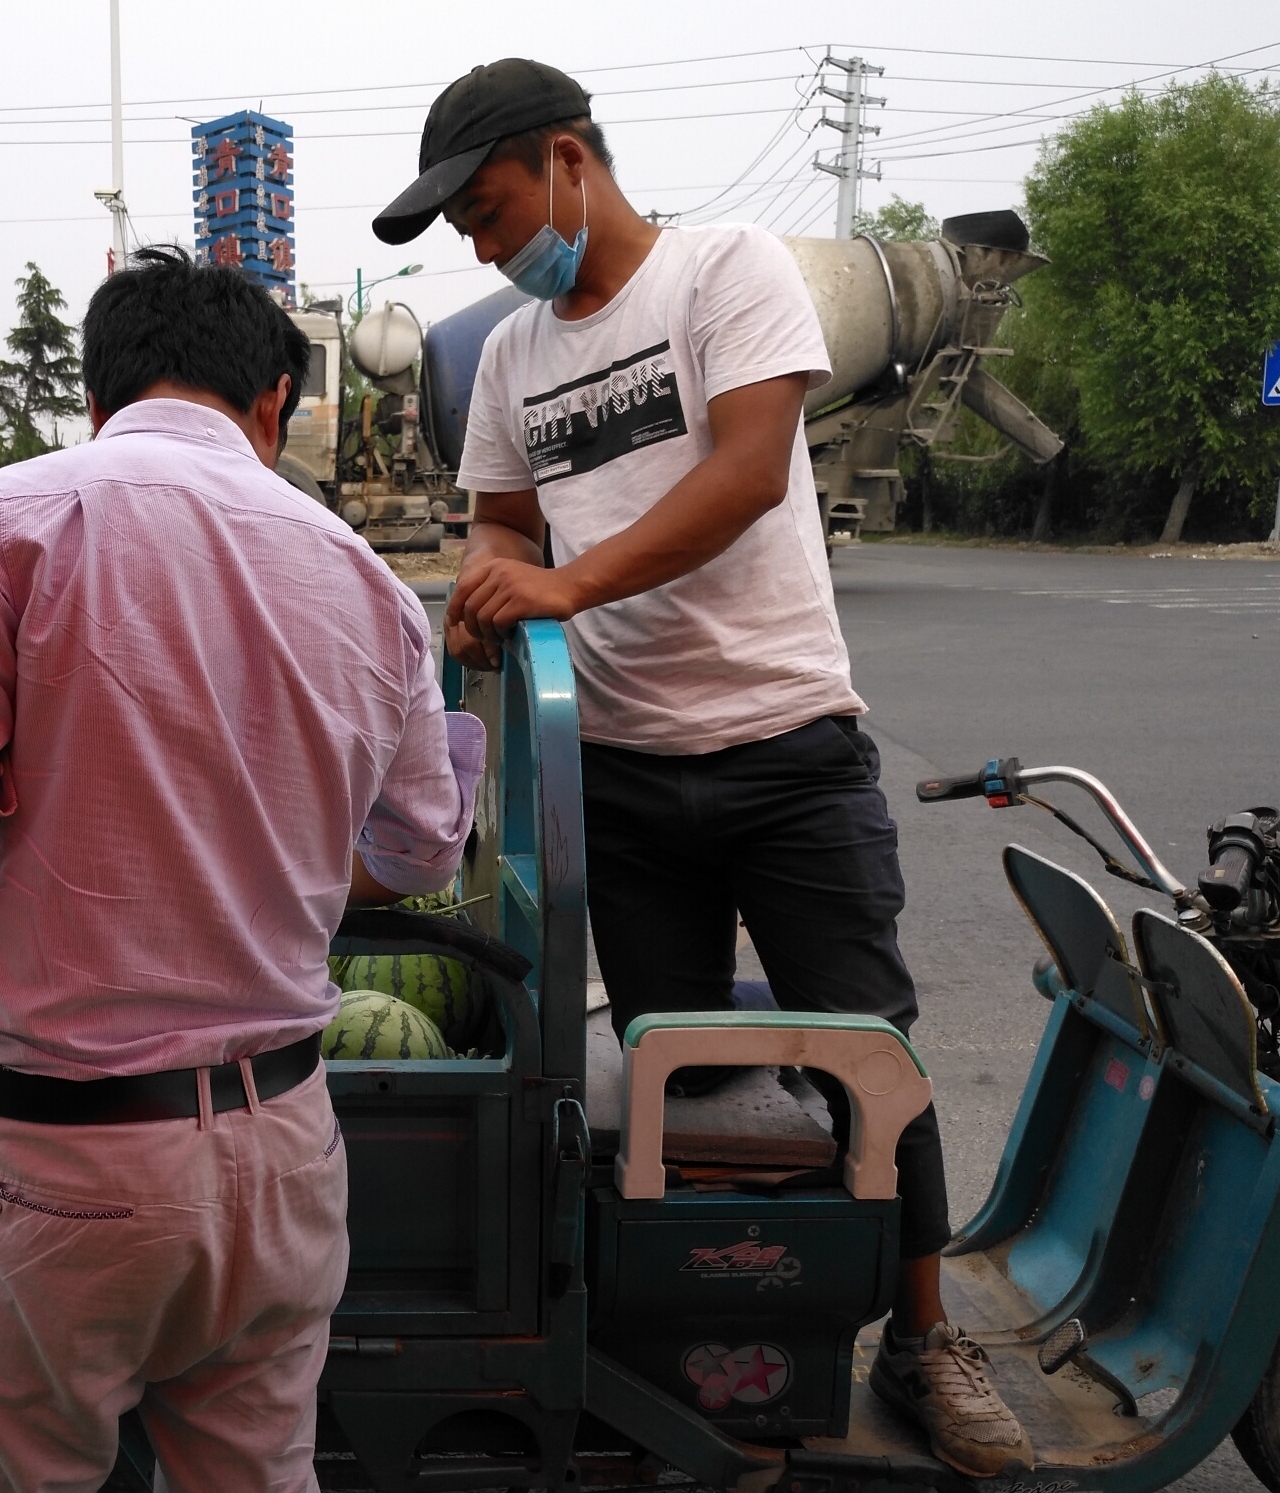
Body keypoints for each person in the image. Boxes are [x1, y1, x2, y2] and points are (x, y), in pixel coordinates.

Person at [371, 58, 1029, 1478]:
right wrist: (487, 588)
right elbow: (497, 524)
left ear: (565, 160)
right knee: (681, 1084)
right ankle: (718, 1348)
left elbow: (741, 473)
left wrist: (567, 583)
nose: (487, 250)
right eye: (470, 238)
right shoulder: (509, 359)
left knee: (872, 1058)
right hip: (615, 774)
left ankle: (920, 1339)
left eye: (489, 213)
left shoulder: (728, 273)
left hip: (787, 747)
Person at [0, 245, 483, 1493]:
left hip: (61, 1166)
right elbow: (411, 850)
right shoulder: (371, 585)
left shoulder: (11, 519)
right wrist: (261, 875)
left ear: (96, 399)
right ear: (273, 405)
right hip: (283, 1154)